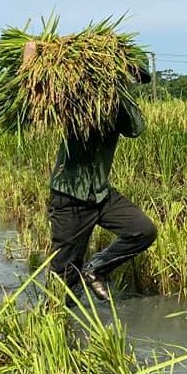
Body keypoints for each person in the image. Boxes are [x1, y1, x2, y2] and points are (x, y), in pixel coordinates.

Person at [47, 65, 157, 302]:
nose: (131, 81)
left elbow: (136, 129)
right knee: (63, 276)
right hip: (70, 197)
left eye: (133, 79)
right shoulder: (77, 100)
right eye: (127, 76)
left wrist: (120, 94)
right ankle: (54, 323)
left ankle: (95, 269)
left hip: (101, 194)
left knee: (143, 230)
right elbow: (42, 98)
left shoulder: (119, 109)